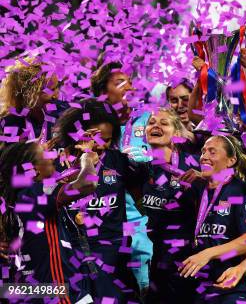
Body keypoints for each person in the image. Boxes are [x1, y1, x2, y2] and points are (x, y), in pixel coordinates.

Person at [48, 99, 145, 302]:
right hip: (70, 255)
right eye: (95, 137)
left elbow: (138, 197)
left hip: (113, 255)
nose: (101, 145)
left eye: (107, 139)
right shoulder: (54, 165)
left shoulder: (119, 161)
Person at [0, 141, 98, 303]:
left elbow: (66, 179)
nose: (51, 155)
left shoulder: (17, 199)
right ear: (33, 169)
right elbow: (88, 183)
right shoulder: (37, 193)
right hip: (57, 293)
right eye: (44, 154)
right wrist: (87, 159)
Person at [91, 59, 153, 292]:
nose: (129, 87)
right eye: (120, 83)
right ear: (101, 93)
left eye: (130, 82)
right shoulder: (91, 129)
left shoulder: (149, 120)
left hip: (147, 226)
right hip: (110, 233)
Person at [127, 108, 201, 303]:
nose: (156, 126)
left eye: (164, 123)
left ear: (176, 134)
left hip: (188, 259)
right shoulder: (145, 170)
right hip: (158, 258)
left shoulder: (192, 166)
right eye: (151, 122)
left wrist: (202, 180)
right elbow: (139, 198)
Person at [179, 135, 246, 304]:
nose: (205, 156)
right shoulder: (198, 189)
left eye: (212, 152)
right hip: (202, 286)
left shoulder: (242, 190)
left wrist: (207, 254)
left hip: (234, 284)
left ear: (230, 161)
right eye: (203, 151)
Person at [0, 57, 67, 145]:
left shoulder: (61, 110)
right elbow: (12, 157)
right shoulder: (9, 123)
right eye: (51, 90)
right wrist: (35, 152)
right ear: (30, 94)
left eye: (57, 87)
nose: (56, 95)